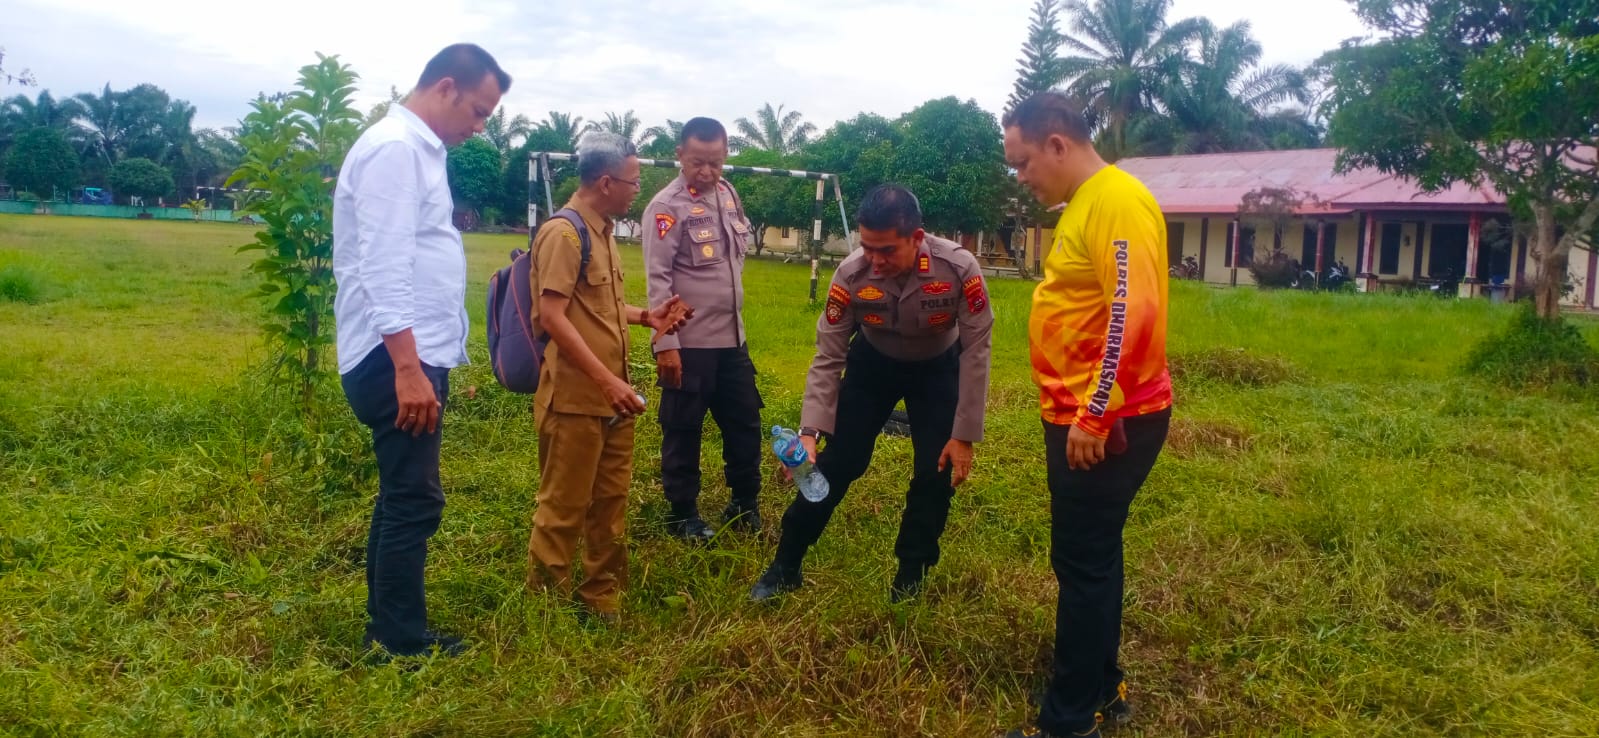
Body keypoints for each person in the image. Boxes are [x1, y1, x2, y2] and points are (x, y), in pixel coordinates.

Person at [999, 92, 1174, 738]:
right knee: (1092, 556)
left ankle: (1068, 721)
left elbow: (1136, 314)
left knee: (1081, 562)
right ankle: (1103, 684)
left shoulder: (1116, 202)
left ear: (1055, 145)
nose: (1020, 178)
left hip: (1106, 422)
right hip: (1084, 413)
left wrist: (1095, 415)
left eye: (1021, 163)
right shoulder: (1086, 205)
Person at [332, 43, 509, 659]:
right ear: (445, 87)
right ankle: (399, 640)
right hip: (394, 357)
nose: (481, 126)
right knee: (414, 496)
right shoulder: (395, 150)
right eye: (480, 110)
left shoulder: (415, 151)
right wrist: (409, 369)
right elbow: (382, 265)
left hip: (406, 352)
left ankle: (387, 626)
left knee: (402, 492)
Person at [749, 184, 994, 604]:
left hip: (938, 367)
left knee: (934, 473)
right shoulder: (851, 274)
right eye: (867, 248)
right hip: (873, 363)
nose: (875, 261)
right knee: (836, 464)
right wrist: (809, 431)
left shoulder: (957, 267)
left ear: (916, 238)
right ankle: (786, 563)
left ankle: (910, 574)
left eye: (886, 250)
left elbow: (976, 350)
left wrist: (965, 432)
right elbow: (828, 356)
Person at [525, 131, 692, 623]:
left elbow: (599, 307)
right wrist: (606, 382)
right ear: (605, 181)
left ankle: (601, 597)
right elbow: (552, 317)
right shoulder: (563, 233)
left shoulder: (601, 230)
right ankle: (547, 610)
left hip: (614, 400)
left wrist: (648, 317)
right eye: (632, 182)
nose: (636, 189)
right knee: (564, 505)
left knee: (610, 502)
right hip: (579, 398)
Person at [642, 117, 765, 542]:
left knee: (745, 422)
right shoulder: (665, 207)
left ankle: (745, 502)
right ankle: (682, 513)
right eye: (698, 162)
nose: (708, 172)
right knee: (683, 428)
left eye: (716, 162)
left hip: (733, 339)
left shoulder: (730, 195)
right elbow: (658, 280)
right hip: (690, 343)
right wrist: (667, 345)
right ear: (680, 155)